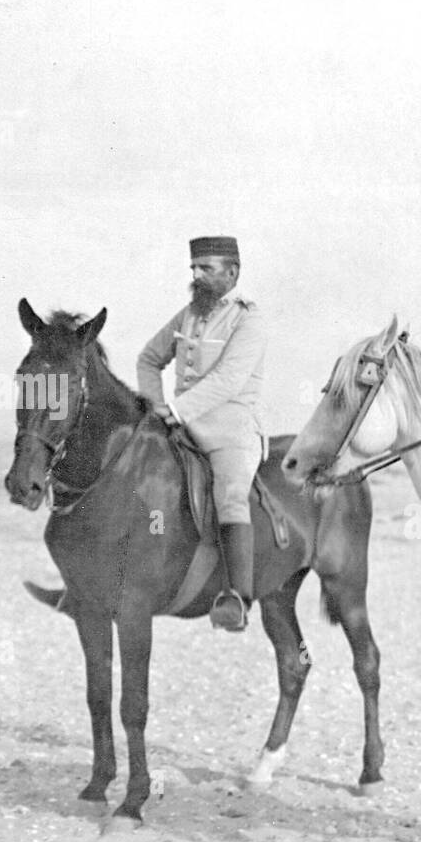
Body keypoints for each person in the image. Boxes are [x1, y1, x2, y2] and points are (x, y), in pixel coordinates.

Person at [137, 235, 268, 631]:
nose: (197, 275)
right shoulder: (187, 315)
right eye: (194, 268)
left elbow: (229, 380)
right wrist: (152, 407)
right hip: (179, 424)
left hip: (230, 427)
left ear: (232, 273)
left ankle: (236, 597)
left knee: (230, 496)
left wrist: (173, 409)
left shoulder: (249, 319)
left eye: (206, 269)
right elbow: (148, 359)